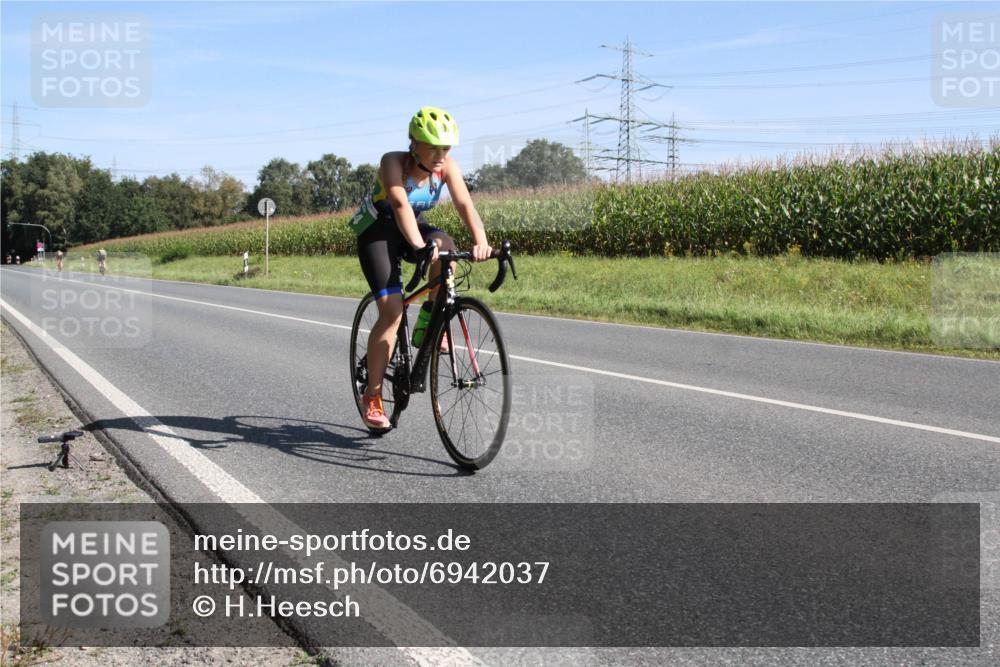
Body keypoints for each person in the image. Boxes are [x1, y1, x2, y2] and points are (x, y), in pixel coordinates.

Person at [349, 106, 492, 430]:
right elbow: (399, 204)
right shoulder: (392, 162)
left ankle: (429, 320)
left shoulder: (447, 167)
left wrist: (481, 240)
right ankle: (372, 395)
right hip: (379, 233)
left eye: (447, 147)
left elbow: (464, 204)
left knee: (448, 248)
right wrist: (417, 246)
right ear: (415, 143)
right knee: (392, 311)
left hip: (415, 226)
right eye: (434, 147)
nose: (441, 155)